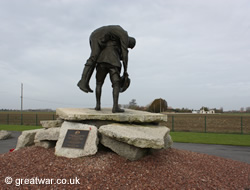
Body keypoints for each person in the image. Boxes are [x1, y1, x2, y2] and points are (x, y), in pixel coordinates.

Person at [77, 25, 136, 93]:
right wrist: (125, 71)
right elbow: (125, 54)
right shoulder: (124, 35)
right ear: (130, 42)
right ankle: (82, 82)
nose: (127, 47)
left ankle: (85, 82)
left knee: (94, 59)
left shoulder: (117, 37)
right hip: (96, 36)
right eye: (129, 46)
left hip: (98, 36)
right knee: (93, 58)